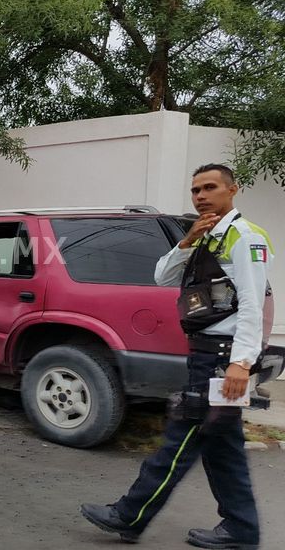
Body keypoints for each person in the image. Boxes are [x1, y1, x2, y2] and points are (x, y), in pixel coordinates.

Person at [81, 164, 273, 549]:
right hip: (205, 356)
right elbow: (162, 278)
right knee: (223, 447)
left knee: (182, 438)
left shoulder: (244, 237)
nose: (201, 196)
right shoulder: (205, 236)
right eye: (196, 190)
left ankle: (130, 514)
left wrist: (241, 362)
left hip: (220, 360)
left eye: (210, 188)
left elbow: (253, 304)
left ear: (232, 190)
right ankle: (241, 529)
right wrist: (186, 241)